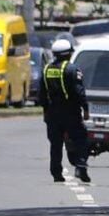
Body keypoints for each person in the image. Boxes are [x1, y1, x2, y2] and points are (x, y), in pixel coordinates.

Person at [37, 38, 90, 183]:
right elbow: (79, 92)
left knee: (56, 144)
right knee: (81, 138)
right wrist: (85, 109)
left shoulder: (46, 70)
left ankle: (56, 173)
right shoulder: (72, 70)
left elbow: (41, 95)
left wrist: (45, 111)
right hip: (70, 113)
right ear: (68, 54)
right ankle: (80, 167)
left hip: (52, 114)